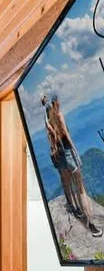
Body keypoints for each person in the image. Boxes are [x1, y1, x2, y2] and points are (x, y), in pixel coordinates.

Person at [48, 96, 102, 237]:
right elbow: (66, 134)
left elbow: (53, 140)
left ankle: (79, 211)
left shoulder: (50, 120)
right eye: (58, 100)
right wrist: (75, 151)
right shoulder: (59, 115)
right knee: (81, 189)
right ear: (56, 103)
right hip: (68, 153)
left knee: (74, 186)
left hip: (62, 156)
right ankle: (91, 225)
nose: (60, 102)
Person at [43, 95, 78, 215]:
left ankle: (72, 205)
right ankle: (75, 206)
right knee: (69, 180)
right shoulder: (54, 125)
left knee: (65, 181)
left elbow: (47, 127)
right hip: (61, 154)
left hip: (56, 155)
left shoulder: (48, 128)